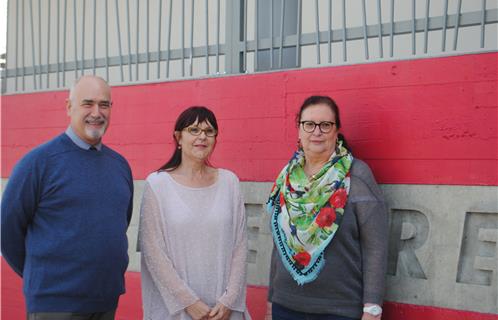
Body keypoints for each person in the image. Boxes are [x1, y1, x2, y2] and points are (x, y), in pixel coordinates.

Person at [1, 75, 134, 320]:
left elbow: (119, 224)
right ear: (68, 107)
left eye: (104, 104)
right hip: (55, 305)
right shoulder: (38, 163)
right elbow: (7, 231)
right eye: (88, 103)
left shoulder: (120, 166)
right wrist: (41, 275)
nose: (97, 112)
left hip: (106, 301)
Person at [266, 96, 388, 320]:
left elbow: (376, 248)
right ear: (299, 130)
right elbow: (279, 244)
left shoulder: (357, 176)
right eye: (309, 124)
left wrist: (372, 309)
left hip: (337, 310)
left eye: (325, 125)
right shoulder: (287, 178)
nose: (317, 132)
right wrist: (270, 301)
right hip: (285, 305)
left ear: (336, 130)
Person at [139, 106, 250, 320]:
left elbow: (240, 245)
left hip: (223, 311)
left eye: (209, 132)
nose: (202, 137)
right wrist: (189, 301)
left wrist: (229, 300)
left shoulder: (230, 182)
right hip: (177, 311)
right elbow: (152, 250)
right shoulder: (158, 184)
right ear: (178, 137)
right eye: (194, 130)